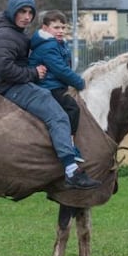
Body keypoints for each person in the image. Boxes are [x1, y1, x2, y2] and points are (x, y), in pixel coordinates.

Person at [0, 0, 99, 190]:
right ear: (13, 11)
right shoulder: (4, 35)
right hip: (11, 87)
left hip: (18, 82)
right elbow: (5, 70)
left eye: (30, 12)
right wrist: (33, 73)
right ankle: (71, 170)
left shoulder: (15, 33)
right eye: (22, 11)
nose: (27, 17)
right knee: (58, 115)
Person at [29, 10, 86, 163]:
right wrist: (80, 83)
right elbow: (61, 70)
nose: (60, 31)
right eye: (56, 27)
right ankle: (69, 144)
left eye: (63, 27)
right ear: (45, 28)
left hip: (56, 84)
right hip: (49, 87)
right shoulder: (48, 46)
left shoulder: (57, 43)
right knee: (72, 109)